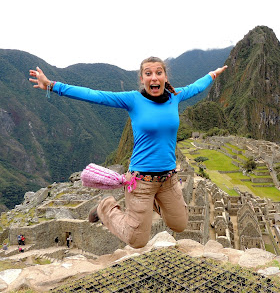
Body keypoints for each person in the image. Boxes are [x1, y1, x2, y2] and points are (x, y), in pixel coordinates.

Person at [29, 57, 227, 248]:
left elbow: (197, 87)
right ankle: (105, 207)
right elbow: (94, 95)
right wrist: (53, 85)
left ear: (165, 77)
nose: (154, 77)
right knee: (137, 240)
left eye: (159, 72)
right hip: (141, 181)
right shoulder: (133, 100)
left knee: (180, 225)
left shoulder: (175, 97)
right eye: (148, 73)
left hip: (168, 181)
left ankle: (153, 203)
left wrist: (213, 74)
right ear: (142, 79)